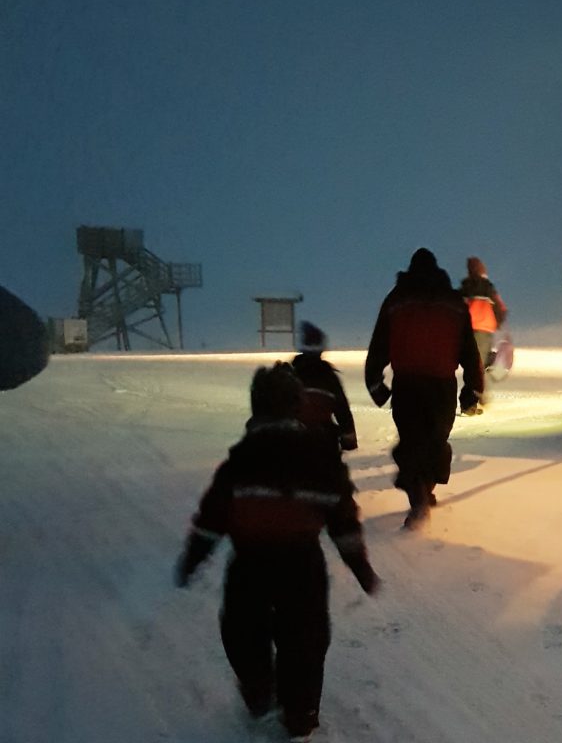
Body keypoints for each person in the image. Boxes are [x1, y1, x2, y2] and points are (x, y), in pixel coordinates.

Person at [175, 362, 380, 741]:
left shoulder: (238, 464)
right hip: (302, 565)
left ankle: (258, 692)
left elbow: (210, 521)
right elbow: (344, 522)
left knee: (242, 632)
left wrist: (192, 559)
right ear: (297, 407)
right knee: (306, 638)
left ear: (255, 408)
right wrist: (360, 567)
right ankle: (300, 716)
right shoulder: (322, 463)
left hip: (249, 565)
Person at [365, 248, 484, 530]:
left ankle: (418, 493)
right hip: (442, 385)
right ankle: (423, 490)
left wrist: (376, 386)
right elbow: (469, 350)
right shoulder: (453, 302)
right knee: (434, 441)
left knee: (411, 441)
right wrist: (472, 391)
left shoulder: (396, 299)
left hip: (407, 384)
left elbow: (379, 344)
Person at [291, 321, 358, 452]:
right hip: (324, 440)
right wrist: (349, 439)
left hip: (293, 439)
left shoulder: (290, 375)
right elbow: (342, 409)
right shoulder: (329, 378)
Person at [458, 256, 508, 388]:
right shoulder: (488, 288)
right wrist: (498, 323)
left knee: (472, 365)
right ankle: (479, 395)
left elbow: (456, 308)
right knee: (479, 364)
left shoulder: (464, 288)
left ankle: (474, 398)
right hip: (485, 330)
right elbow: (501, 308)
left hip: (468, 329)